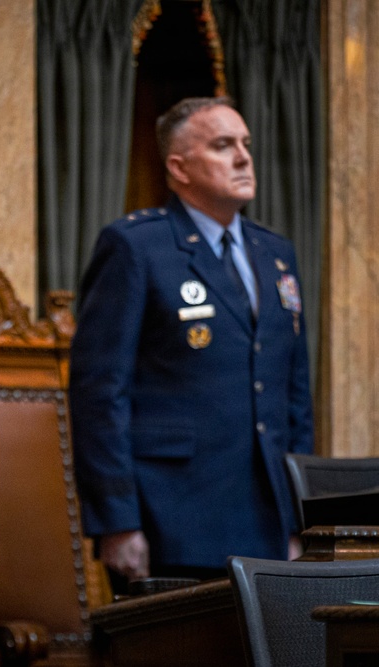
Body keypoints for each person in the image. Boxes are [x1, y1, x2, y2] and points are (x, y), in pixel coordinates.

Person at [69, 97, 314, 589]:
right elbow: (100, 393)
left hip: (267, 522)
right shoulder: (137, 246)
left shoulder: (275, 253)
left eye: (245, 144)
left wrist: (297, 520)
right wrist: (117, 520)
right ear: (178, 168)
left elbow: (294, 398)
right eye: (223, 146)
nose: (244, 157)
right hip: (171, 518)